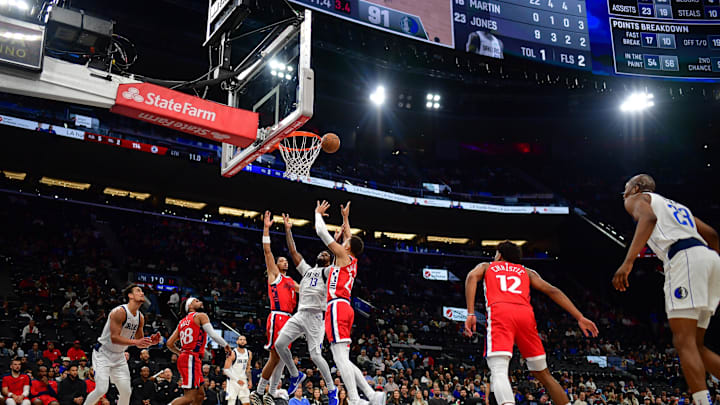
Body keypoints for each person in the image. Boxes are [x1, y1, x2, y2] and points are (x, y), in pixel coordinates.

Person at [612, 174, 720, 405]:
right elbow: (711, 235)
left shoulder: (636, 198)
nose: (624, 193)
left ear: (636, 188)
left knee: (683, 342)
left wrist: (628, 261)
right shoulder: (677, 207)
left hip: (685, 259)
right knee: (697, 346)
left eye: (626, 187)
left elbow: (648, 219)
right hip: (709, 259)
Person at [464, 241, 599, 405]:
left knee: (499, 370)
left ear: (499, 255)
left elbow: (471, 277)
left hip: (501, 312)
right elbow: (552, 290)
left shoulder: (487, 266)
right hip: (525, 315)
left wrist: (470, 312)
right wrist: (579, 317)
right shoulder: (526, 272)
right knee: (544, 374)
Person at [314, 201, 382, 405]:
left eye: (346, 242)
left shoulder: (343, 255)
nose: (344, 241)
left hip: (336, 306)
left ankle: (354, 399)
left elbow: (320, 231)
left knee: (339, 358)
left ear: (348, 247)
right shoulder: (351, 260)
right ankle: (371, 395)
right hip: (345, 307)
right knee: (343, 358)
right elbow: (350, 238)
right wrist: (345, 219)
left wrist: (317, 213)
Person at [273, 213, 337, 404]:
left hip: (316, 317)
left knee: (316, 355)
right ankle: (295, 374)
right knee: (279, 344)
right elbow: (293, 252)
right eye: (322, 253)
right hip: (300, 314)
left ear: (329, 260)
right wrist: (287, 230)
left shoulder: (327, 272)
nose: (322, 254)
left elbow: (338, 258)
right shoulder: (308, 270)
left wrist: (338, 238)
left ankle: (332, 390)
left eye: (326, 254)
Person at [250, 211, 299, 405]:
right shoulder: (274, 275)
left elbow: (307, 290)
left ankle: (269, 393)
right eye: (281, 260)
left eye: (286, 260)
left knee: (281, 358)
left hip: (289, 319)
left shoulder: (291, 280)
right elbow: (267, 251)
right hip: (278, 317)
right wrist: (266, 228)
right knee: (274, 356)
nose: (284, 261)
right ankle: (259, 391)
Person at [83, 284, 161, 405]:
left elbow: (140, 342)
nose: (142, 293)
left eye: (142, 291)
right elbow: (114, 338)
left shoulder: (140, 317)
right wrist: (137, 342)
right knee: (101, 389)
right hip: (103, 353)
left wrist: (150, 342)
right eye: (138, 291)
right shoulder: (119, 312)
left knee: (126, 392)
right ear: (130, 295)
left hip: (119, 356)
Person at [167, 297, 230, 405]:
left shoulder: (182, 322)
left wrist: (180, 353)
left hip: (189, 358)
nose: (200, 302)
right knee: (189, 397)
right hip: (190, 357)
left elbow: (169, 343)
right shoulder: (200, 316)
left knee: (200, 395)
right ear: (190, 306)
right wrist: (225, 345)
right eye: (196, 301)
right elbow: (213, 334)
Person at [224, 336, 253, 405]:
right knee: (231, 402)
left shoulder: (249, 353)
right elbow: (225, 370)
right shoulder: (232, 353)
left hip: (243, 379)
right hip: (233, 380)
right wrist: (237, 380)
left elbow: (248, 368)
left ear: (246, 342)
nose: (242, 341)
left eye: (244, 340)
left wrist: (250, 380)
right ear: (237, 342)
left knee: (246, 402)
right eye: (240, 340)